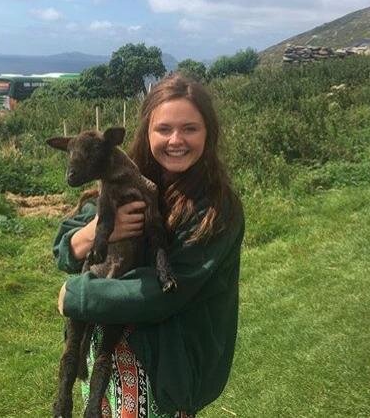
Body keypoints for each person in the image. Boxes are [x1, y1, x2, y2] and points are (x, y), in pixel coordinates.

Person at [53, 74, 245, 417]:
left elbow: (167, 292)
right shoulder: (126, 176)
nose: (176, 140)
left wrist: (77, 295)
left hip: (166, 366)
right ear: (147, 132)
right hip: (109, 348)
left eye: (190, 128)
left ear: (208, 132)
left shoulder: (216, 209)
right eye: (164, 129)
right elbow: (65, 245)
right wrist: (92, 234)